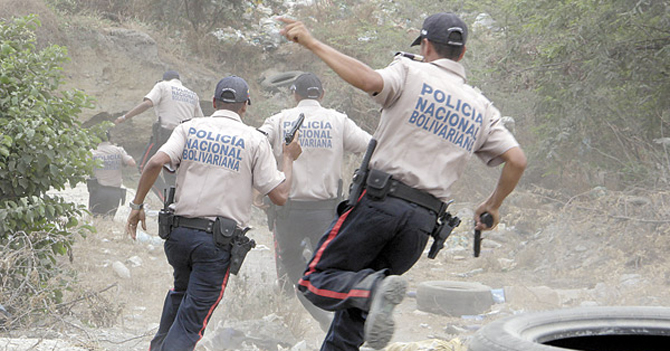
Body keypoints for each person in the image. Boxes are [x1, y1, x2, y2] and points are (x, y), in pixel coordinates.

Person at [278, 12, 527, 350]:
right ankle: (372, 292)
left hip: (378, 205)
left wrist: (311, 42)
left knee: (316, 279)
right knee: (353, 320)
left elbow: (368, 81)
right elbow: (516, 160)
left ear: (425, 45)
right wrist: (492, 205)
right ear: (463, 54)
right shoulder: (481, 107)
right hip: (422, 225)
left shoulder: (410, 71)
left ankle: (373, 290)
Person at [124, 75, 302, 351]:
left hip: (179, 237)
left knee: (179, 298)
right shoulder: (254, 140)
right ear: (245, 106)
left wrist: (136, 207)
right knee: (190, 324)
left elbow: (155, 162)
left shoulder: (189, 128)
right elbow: (279, 196)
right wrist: (288, 158)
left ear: (214, 101)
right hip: (215, 244)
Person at [256, 72, 372, 331]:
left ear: (294, 95)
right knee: (327, 265)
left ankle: (311, 313)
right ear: (321, 95)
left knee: (291, 262)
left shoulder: (279, 119)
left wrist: (260, 184)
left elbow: (255, 144)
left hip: (287, 208)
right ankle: (334, 312)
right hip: (326, 210)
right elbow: (370, 146)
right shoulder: (338, 121)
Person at [115, 70, 204, 201]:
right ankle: (175, 202)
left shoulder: (162, 86)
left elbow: (147, 104)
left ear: (164, 79)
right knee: (170, 172)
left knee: (144, 166)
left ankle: (165, 199)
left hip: (165, 135)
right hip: (186, 138)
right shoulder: (192, 95)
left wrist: (124, 117)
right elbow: (200, 121)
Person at [87, 130, 136, 217]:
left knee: (95, 221)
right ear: (110, 138)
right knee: (109, 220)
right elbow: (132, 163)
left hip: (98, 192)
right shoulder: (118, 150)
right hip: (115, 193)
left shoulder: (92, 153)